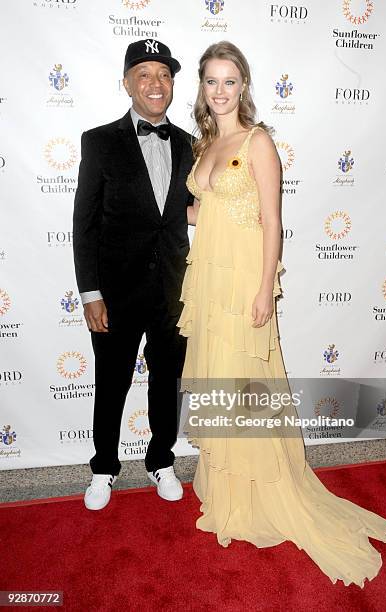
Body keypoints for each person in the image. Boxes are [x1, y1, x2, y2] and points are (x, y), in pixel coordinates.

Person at [178, 41, 386, 588]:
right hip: (209, 283)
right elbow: (203, 212)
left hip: (243, 284)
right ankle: (228, 487)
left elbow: (272, 223)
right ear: (202, 88)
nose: (220, 91)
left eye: (230, 81)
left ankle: (261, 495)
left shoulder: (258, 142)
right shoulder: (206, 143)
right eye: (211, 81)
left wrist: (263, 290)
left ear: (244, 86)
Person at [73, 39, 194, 510]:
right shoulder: (99, 141)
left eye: (163, 74)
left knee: (168, 380)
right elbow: (85, 223)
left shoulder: (188, 143)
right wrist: (90, 292)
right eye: (143, 73)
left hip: (173, 290)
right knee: (112, 382)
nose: (155, 83)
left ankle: (161, 459)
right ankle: (103, 468)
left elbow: (191, 210)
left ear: (172, 84)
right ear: (126, 82)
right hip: (116, 294)